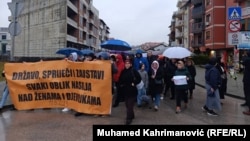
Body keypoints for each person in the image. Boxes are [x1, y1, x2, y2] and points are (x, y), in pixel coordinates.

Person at [118, 59, 141, 125]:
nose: (127, 65)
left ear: (130, 64)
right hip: (125, 90)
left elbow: (139, 78)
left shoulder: (133, 70)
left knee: (130, 105)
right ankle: (132, 115)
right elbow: (120, 79)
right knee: (127, 105)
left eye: (128, 63)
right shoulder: (123, 71)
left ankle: (129, 118)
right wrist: (121, 85)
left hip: (132, 90)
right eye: (126, 63)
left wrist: (134, 83)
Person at [242, 51, 250, 115]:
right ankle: (247, 102)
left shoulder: (247, 59)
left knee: (247, 93)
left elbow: (243, 62)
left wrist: (244, 56)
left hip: (247, 79)